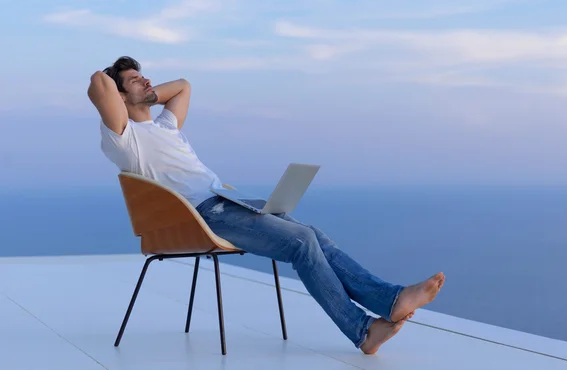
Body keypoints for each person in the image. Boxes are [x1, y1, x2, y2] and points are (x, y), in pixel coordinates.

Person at [88, 56, 445, 355]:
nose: (147, 80)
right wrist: (128, 95)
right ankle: (363, 331)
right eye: (135, 79)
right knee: (301, 242)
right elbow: (97, 83)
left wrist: (144, 93)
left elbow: (183, 85)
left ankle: (390, 300)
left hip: (229, 203)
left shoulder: (166, 126)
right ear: (118, 97)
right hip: (202, 216)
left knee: (314, 236)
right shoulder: (124, 139)